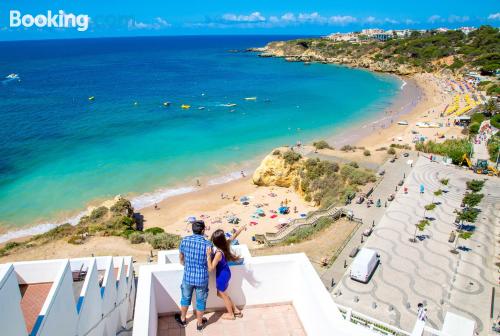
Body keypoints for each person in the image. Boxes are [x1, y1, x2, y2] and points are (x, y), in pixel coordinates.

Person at [175, 220, 212, 331]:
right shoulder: (207, 244)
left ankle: (183, 319)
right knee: (201, 301)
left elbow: (181, 258)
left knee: (185, 298)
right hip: (202, 278)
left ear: (193, 229)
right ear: (203, 230)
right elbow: (209, 263)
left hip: (188, 276)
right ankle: (199, 324)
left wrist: (184, 263)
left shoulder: (185, 241)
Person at [206, 225, 246, 320]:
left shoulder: (218, 253)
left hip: (222, 276)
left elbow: (211, 268)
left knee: (223, 295)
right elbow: (234, 236)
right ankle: (236, 310)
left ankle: (231, 315)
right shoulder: (225, 244)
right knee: (221, 294)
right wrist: (241, 228)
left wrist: (208, 256)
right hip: (225, 273)